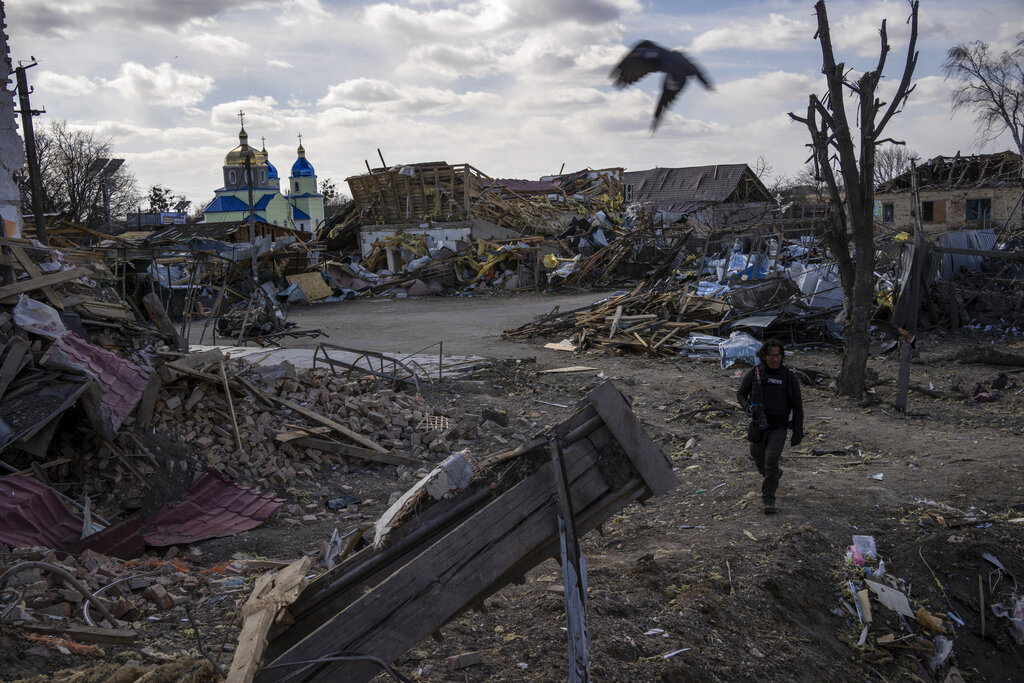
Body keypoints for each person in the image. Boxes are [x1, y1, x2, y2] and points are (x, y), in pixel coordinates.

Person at [736, 341, 803, 514]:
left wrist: (797, 431)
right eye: (771, 355)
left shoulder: (788, 377)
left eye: (778, 355)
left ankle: (769, 499)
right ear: (764, 356)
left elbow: (798, 406)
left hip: (779, 427)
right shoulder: (755, 373)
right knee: (760, 462)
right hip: (758, 425)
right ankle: (774, 475)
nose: (775, 359)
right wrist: (747, 407)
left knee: (771, 460)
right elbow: (741, 394)